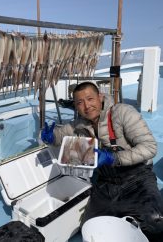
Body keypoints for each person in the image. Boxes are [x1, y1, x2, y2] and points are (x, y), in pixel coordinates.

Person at [41, 81, 163, 241]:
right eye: (80, 102)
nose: (86, 106)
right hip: (106, 183)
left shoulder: (123, 112)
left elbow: (150, 148)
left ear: (100, 97)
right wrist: (49, 137)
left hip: (137, 179)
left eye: (90, 99)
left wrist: (115, 158)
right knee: (90, 226)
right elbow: (59, 135)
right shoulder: (79, 125)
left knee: (155, 221)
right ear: (76, 106)